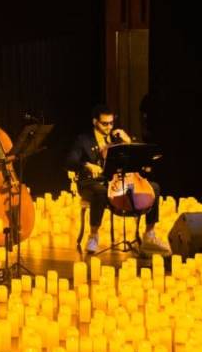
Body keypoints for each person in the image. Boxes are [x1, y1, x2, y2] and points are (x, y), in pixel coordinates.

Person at [67, 105, 168, 254]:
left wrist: (128, 141)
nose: (109, 127)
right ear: (95, 122)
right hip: (91, 183)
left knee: (154, 187)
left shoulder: (117, 138)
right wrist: (87, 165)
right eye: (104, 123)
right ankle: (93, 235)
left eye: (111, 123)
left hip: (116, 181)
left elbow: (137, 159)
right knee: (100, 192)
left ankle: (149, 234)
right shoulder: (83, 140)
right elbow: (70, 161)